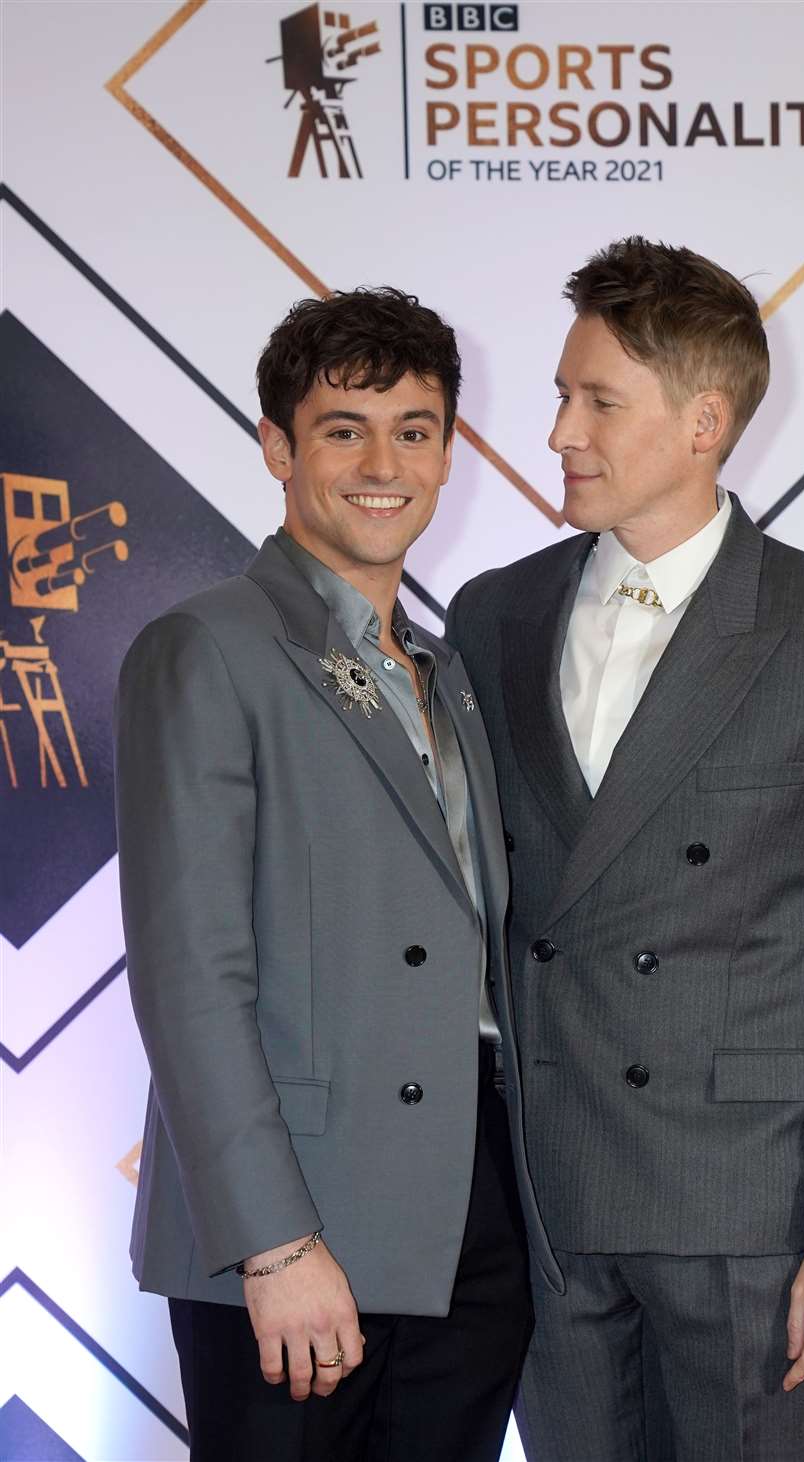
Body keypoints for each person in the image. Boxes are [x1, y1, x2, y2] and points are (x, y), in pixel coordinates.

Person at [445, 238, 804, 1461]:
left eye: (598, 401)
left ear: (707, 419)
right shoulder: (492, 611)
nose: (559, 430)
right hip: (551, 1201)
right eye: (563, 394)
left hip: (749, 1210)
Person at [115, 287, 546, 1461]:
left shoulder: (446, 672)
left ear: (449, 452)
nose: (383, 462)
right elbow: (190, 975)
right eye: (343, 427)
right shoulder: (206, 649)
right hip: (301, 1225)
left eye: (413, 429)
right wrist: (273, 1243)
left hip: (471, 1219)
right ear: (277, 447)